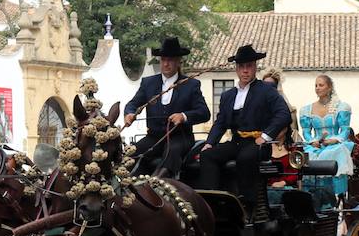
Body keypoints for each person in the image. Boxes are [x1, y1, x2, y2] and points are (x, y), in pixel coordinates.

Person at [198, 44, 291, 220]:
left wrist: (265, 136)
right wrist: (209, 143)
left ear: (255, 67)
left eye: (249, 66)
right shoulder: (228, 96)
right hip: (236, 142)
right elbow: (220, 123)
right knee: (207, 155)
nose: (245, 71)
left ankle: (248, 203)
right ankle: (212, 200)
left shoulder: (266, 91)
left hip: (258, 143)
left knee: (246, 157)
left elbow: (283, 114)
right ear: (236, 69)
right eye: (241, 67)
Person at [122, 36, 210, 177]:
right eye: (163, 60)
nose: (166, 64)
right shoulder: (148, 83)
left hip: (180, 137)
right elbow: (133, 104)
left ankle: (158, 182)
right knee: (131, 153)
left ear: (178, 62)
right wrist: (130, 113)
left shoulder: (191, 84)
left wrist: (184, 116)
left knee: (172, 151)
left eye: (170, 60)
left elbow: (204, 113)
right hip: (153, 136)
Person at [299, 74, 353, 204]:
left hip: (334, 143)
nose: (317, 88)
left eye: (321, 85)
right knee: (307, 155)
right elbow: (306, 132)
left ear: (329, 88)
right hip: (316, 145)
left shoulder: (341, 107)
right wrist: (312, 141)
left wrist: (335, 140)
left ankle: (336, 194)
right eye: (316, 85)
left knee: (334, 152)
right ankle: (311, 193)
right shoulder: (307, 110)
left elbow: (345, 130)